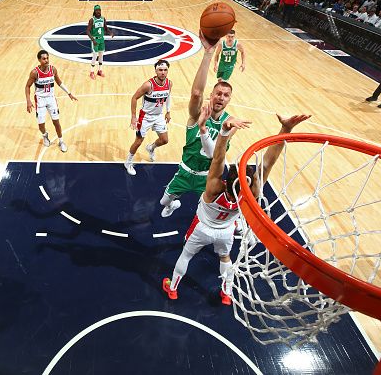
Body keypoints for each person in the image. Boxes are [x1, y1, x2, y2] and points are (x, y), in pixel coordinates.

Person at [162, 112, 311, 304]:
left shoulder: (215, 188)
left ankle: (172, 288)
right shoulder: (249, 196)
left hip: (202, 228)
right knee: (225, 257)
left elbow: (217, 158)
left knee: (186, 255)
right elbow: (267, 163)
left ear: (228, 178)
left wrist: (224, 132)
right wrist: (286, 129)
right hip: (226, 232)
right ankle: (227, 293)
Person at [158, 33, 242, 218]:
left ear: (229, 100)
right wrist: (207, 54)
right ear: (211, 96)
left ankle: (236, 225)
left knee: (208, 213)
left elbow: (213, 154)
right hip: (185, 171)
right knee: (163, 202)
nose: (221, 97)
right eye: (218, 93)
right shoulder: (197, 115)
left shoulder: (230, 123)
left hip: (207, 177)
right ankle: (172, 205)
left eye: (225, 95)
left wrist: (225, 129)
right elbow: (196, 93)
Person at [124, 60, 172, 176]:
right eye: (160, 70)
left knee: (164, 140)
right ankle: (128, 162)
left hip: (159, 116)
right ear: (156, 71)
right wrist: (133, 117)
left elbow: (168, 96)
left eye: (165, 70)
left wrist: (168, 111)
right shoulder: (148, 85)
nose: (163, 72)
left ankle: (151, 148)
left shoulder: (169, 83)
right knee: (138, 141)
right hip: (145, 116)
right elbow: (134, 98)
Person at [25, 50, 77, 152]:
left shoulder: (53, 69)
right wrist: (28, 101)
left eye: (47, 58)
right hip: (40, 100)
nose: (46, 60)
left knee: (56, 122)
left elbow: (59, 82)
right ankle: (45, 135)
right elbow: (27, 86)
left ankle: (61, 141)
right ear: (39, 60)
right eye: (44, 59)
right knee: (41, 125)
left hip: (51, 99)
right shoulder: (34, 73)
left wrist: (69, 93)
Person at [86, 5, 113, 80]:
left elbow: (106, 28)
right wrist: (93, 40)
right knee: (95, 55)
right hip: (95, 39)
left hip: (101, 39)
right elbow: (87, 31)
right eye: (97, 10)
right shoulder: (92, 20)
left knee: (101, 55)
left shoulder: (103, 18)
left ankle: (99, 70)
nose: (98, 12)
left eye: (99, 10)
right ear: (94, 11)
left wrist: (110, 32)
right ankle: (91, 72)